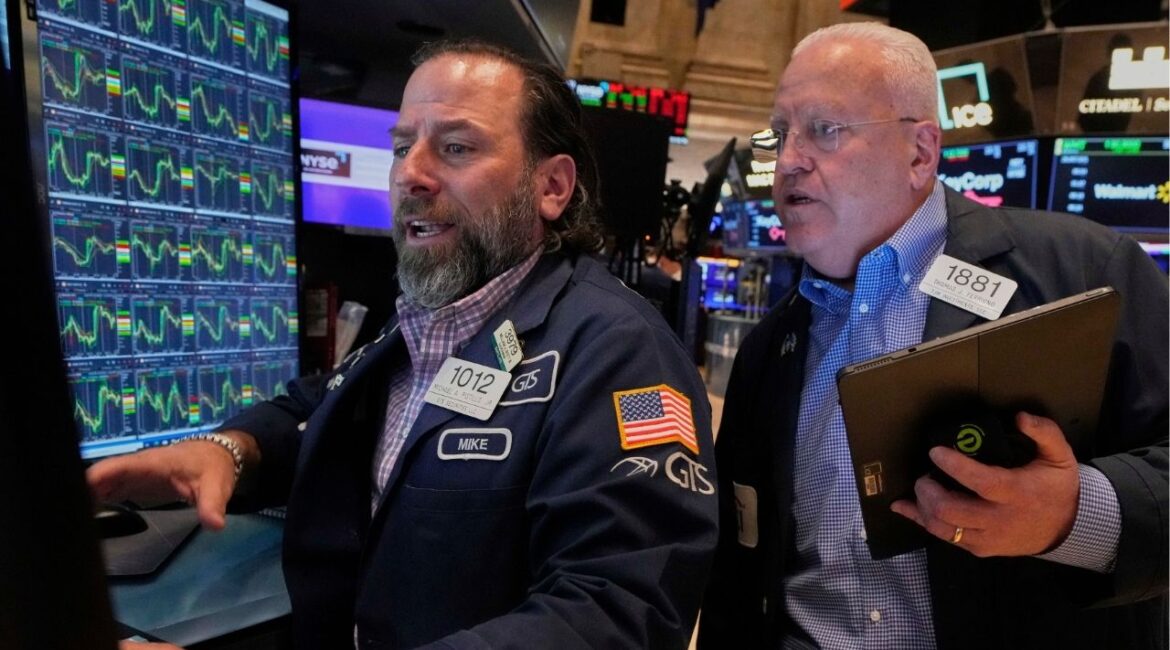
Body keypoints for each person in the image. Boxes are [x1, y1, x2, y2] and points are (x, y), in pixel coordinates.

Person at [90, 39, 718, 650]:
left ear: (551, 186)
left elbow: (618, 614)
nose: (411, 174)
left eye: (455, 147)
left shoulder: (620, 351)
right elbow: (319, 407)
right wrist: (230, 450)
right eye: (401, 147)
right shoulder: (426, 322)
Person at [699, 22, 1167, 650]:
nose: (786, 161)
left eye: (824, 130)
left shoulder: (1081, 271)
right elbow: (741, 569)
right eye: (778, 135)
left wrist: (1075, 516)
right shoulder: (770, 347)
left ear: (921, 152)